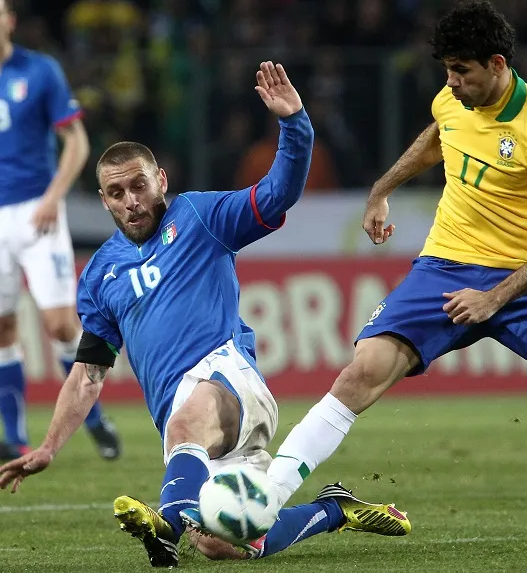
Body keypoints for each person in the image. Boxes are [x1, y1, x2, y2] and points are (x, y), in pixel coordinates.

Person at [263, 0, 527, 555]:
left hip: (523, 274)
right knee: (362, 372)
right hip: (446, 264)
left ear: (498, 64)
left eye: (462, 71)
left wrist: (495, 297)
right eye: (447, 70)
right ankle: (263, 501)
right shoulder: (453, 100)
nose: (451, 83)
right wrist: (383, 188)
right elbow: (440, 136)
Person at [0, 61, 411, 568]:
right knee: (225, 541)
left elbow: (279, 192)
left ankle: (166, 525)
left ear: (161, 179)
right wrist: (49, 447)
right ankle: (334, 509)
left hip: (228, 381)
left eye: (139, 186)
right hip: (185, 425)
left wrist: (294, 123)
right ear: (104, 201)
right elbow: (87, 373)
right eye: (116, 193)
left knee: (185, 426)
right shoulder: (100, 274)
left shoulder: (199, 216)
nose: (132, 202)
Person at [0, 0, 120, 461]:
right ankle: (13, 436)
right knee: (3, 326)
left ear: (9, 21)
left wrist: (53, 197)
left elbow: (77, 141)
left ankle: (93, 417)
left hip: (38, 210)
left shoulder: (41, 71)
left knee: (58, 324)